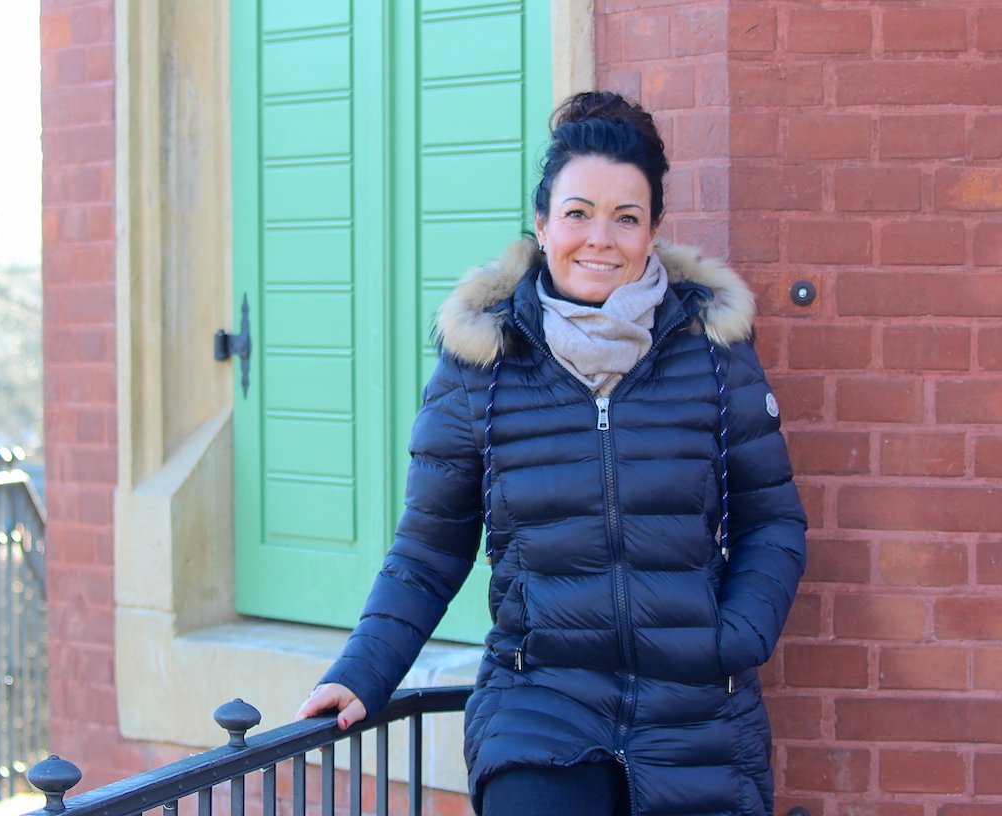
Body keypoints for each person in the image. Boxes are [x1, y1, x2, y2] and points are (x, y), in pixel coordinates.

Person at [295, 90, 807, 816]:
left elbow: (773, 520)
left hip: (696, 709)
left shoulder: (713, 354)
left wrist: (735, 636)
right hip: (541, 701)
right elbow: (428, 549)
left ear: (653, 231)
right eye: (577, 214)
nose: (600, 238)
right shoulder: (483, 364)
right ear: (542, 225)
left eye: (625, 217)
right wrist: (361, 672)